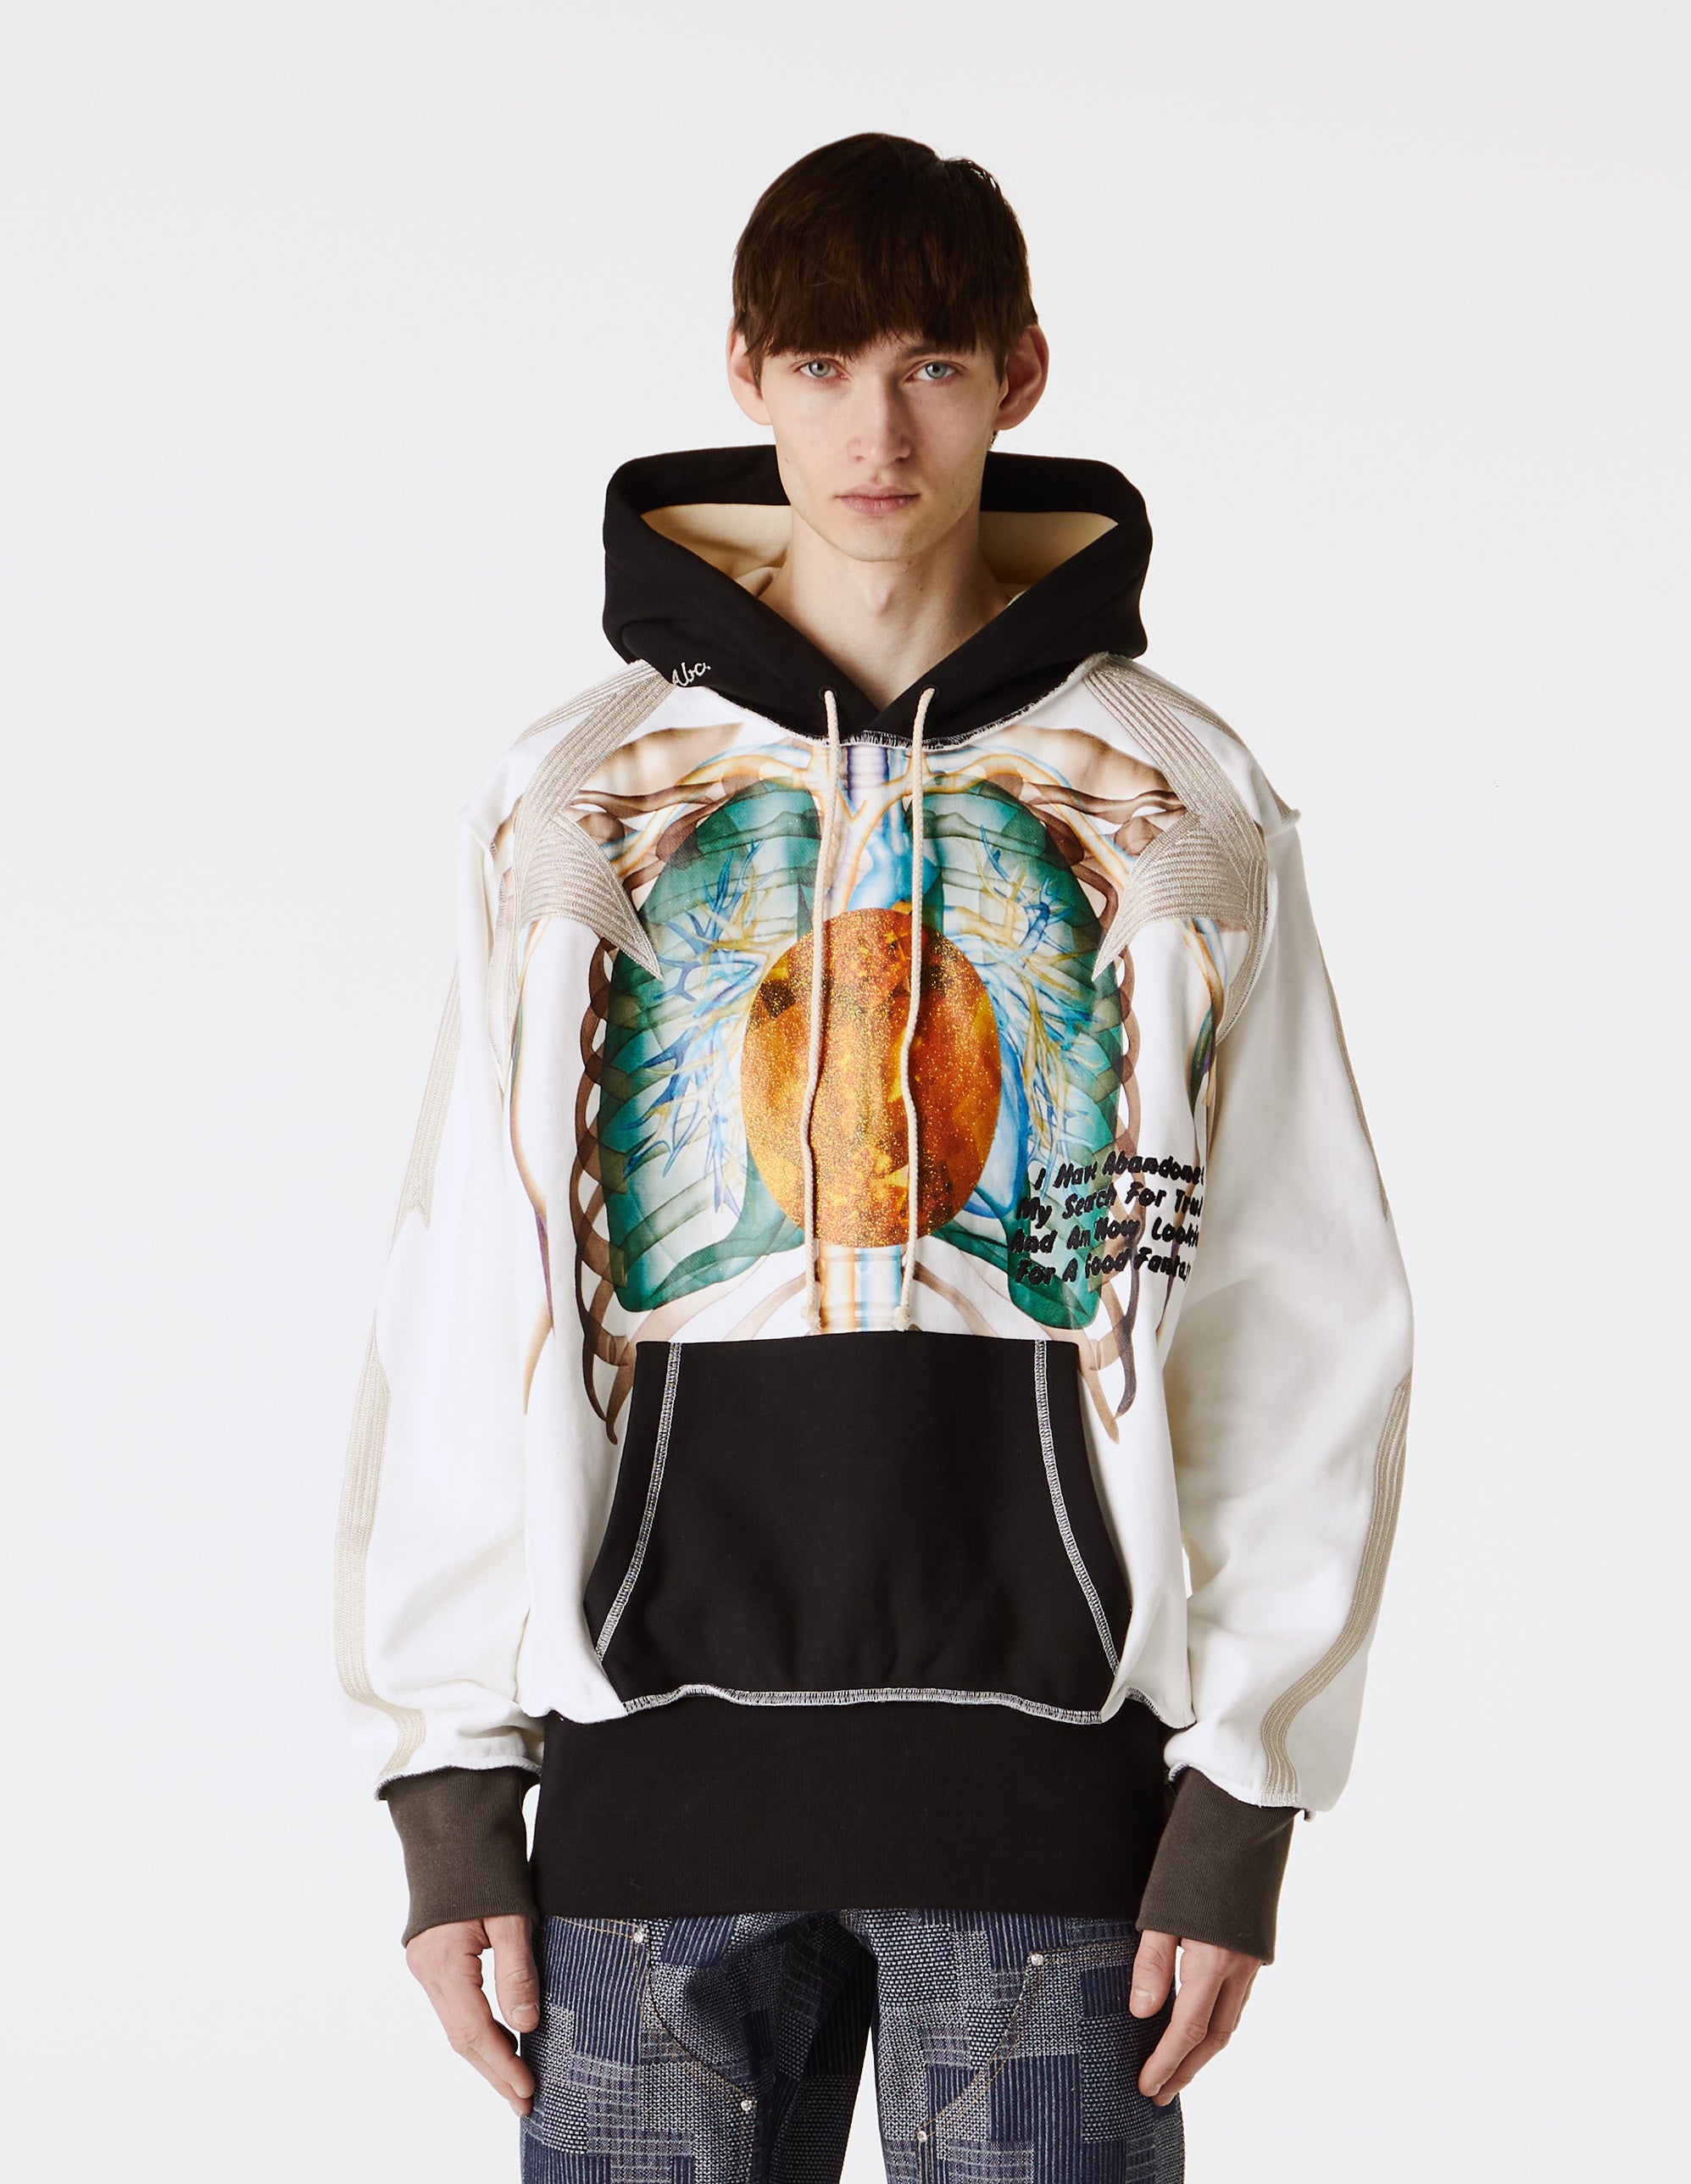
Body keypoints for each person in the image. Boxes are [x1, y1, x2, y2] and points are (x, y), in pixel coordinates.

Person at [335, 132, 1414, 2183]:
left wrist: (1243, 1789)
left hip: (1052, 1814)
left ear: (1018, 374)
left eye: (929, 365)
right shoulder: (578, 794)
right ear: (747, 374)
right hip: (642, 1812)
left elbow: (1298, 1293)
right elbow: (467, 1274)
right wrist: (450, 1783)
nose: (876, 431)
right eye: (825, 367)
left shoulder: (1173, 795)